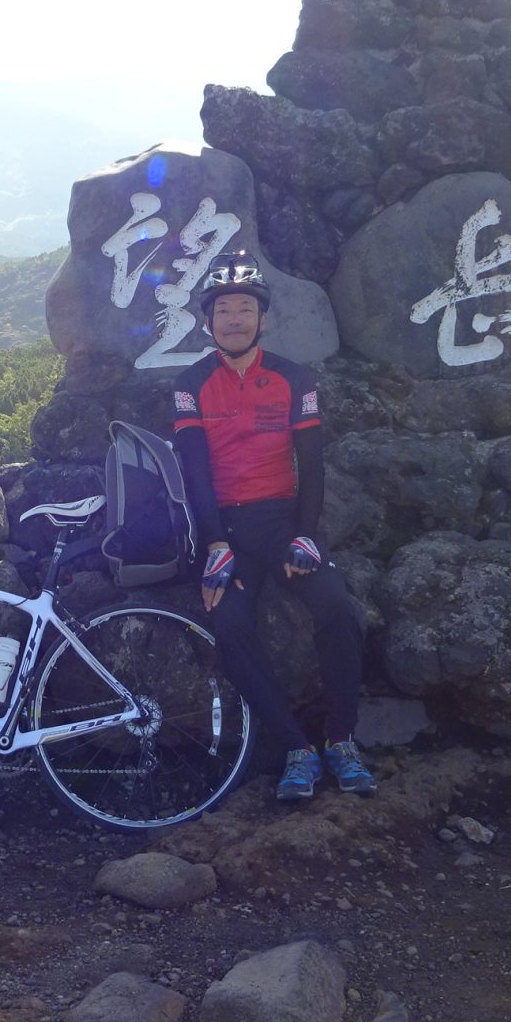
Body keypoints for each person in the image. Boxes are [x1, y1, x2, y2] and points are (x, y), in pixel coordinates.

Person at [170, 251, 373, 802]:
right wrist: (213, 544)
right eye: (223, 310)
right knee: (231, 630)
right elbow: (194, 473)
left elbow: (311, 464)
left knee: (335, 607)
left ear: (264, 318)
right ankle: (295, 750)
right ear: (207, 321)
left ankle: (341, 741)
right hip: (226, 530)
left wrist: (306, 534)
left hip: (285, 521)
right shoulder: (190, 384)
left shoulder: (294, 378)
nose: (234, 319)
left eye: (245, 309)